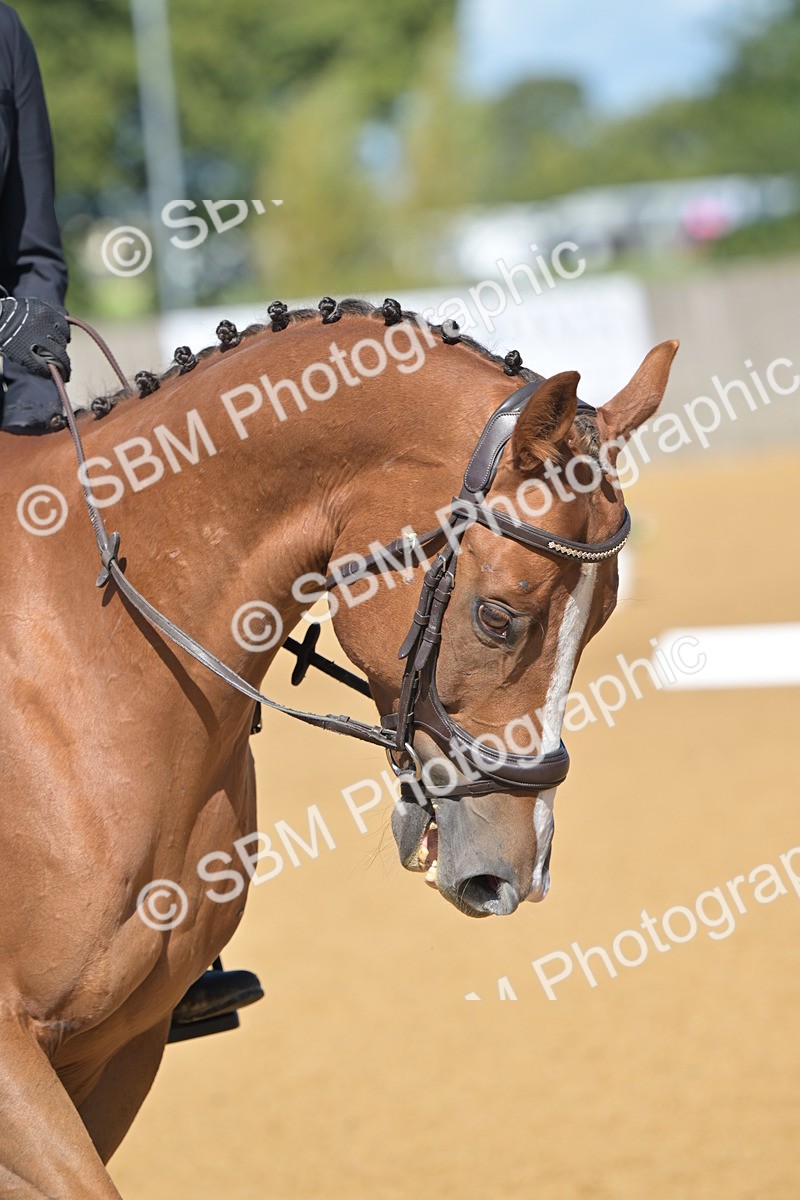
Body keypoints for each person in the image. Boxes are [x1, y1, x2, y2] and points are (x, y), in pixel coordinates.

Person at [1, 2, 263, 1037]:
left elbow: (33, 243)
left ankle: (168, 935)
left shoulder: (4, 34)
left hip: (6, 399)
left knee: (156, 580)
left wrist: (27, 332)